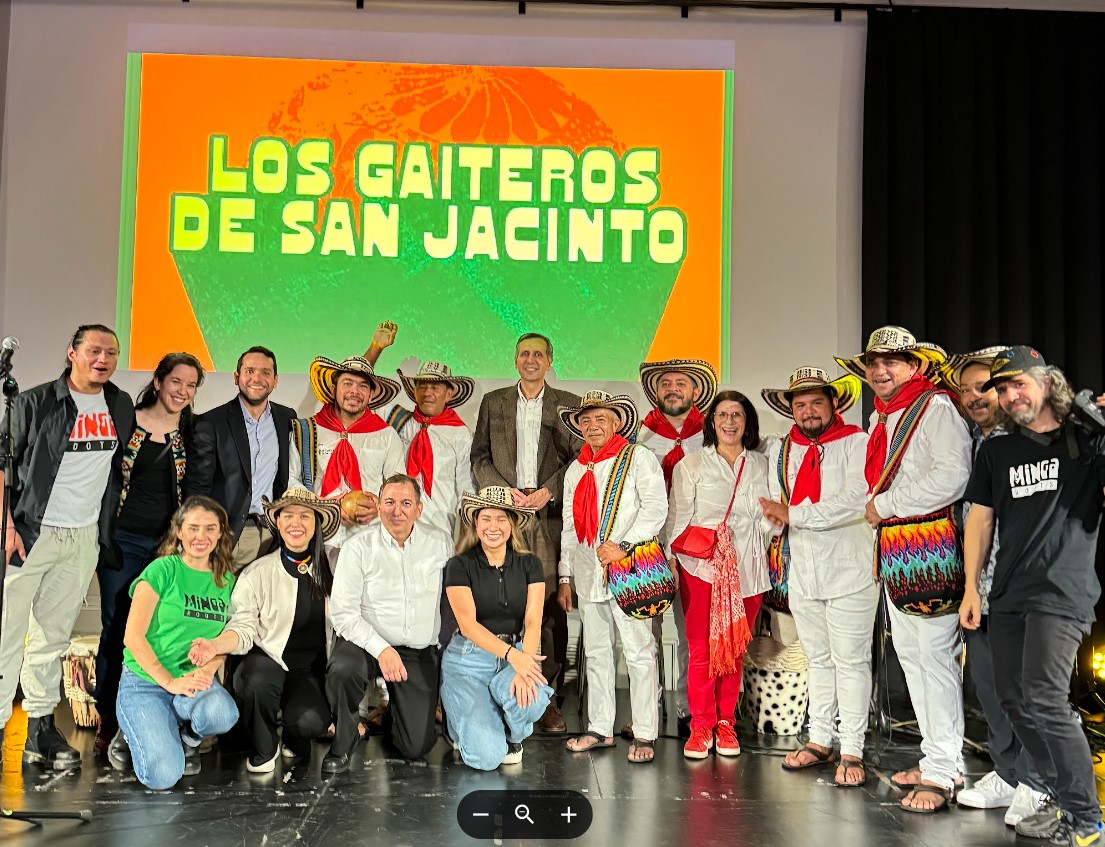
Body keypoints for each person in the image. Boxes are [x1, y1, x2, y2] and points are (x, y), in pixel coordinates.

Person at [961, 347, 1105, 846]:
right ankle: (1061, 797)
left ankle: (1086, 820)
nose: (1009, 395)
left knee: (1044, 697)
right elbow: (979, 519)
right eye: (1001, 389)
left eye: (1017, 383)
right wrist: (971, 588)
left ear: (1047, 382)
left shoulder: (1084, 439)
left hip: (1062, 590)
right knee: (1012, 699)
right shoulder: (997, 451)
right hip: (1007, 594)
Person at [836, 325, 971, 813]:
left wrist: (887, 504)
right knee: (914, 658)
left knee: (932, 657)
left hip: (928, 541)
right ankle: (942, 759)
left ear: (914, 366)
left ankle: (941, 771)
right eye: (873, 363)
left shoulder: (934, 407)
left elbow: (953, 476)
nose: (880, 370)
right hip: (897, 546)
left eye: (891, 361)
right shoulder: (883, 417)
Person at [0, 324, 134, 769]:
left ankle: (39, 730)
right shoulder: (33, 402)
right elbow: (2, 465)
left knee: (52, 638)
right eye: (93, 350)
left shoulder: (119, 403)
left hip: (81, 538)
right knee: (5, 636)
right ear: (71, 353)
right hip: (29, 533)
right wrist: (5, 525)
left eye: (111, 352)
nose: (103, 358)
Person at [941, 348, 1046, 824]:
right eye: (965, 390)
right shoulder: (979, 443)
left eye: (984, 387)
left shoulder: (1036, 438)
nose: (974, 397)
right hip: (983, 588)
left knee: (1027, 690)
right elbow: (978, 522)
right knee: (989, 686)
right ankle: (1008, 771)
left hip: (1027, 589)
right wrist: (971, 588)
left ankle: (1040, 782)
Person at [758, 369, 876, 784]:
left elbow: (857, 500)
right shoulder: (784, 449)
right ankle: (820, 738)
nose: (808, 412)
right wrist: (776, 520)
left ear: (833, 404)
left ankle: (853, 749)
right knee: (819, 660)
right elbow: (777, 505)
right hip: (803, 569)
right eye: (800, 404)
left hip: (850, 568)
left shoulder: (857, 442)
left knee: (851, 661)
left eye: (816, 403)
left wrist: (795, 514)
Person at [95, 352, 205, 758]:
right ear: (158, 382)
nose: (183, 391)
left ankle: (160, 719)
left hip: (168, 550)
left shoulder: (195, 432)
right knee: (117, 630)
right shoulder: (127, 420)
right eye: (176, 381)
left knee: (164, 632)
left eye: (191, 385)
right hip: (122, 541)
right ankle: (111, 719)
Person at [471, 332, 581, 733]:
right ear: (515, 360)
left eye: (538, 354)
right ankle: (501, 689)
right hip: (503, 517)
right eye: (524, 354)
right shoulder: (493, 401)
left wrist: (549, 490)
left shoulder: (566, 403)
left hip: (549, 518)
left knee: (549, 607)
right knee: (501, 602)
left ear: (550, 360)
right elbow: (479, 456)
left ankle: (545, 696)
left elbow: (580, 458)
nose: (531, 360)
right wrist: (502, 495)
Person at [187, 488, 341, 773]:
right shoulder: (258, 572)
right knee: (256, 678)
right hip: (266, 660)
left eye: (305, 516)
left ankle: (294, 739)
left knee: (310, 721)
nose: (296, 523)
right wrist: (216, 645)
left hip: (308, 671)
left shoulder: (335, 566)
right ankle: (264, 747)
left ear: (317, 523)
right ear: (279, 524)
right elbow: (243, 628)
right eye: (289, 516)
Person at [558, 391, 667, 763]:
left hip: (631, 569)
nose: (592, 427)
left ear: (617, 422)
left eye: (600, 419)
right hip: (589, 571)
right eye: (585, 421)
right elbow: (570, 529)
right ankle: (600, 728)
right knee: (597, 651)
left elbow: (656, 508)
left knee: (639, 651)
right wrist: (564, 576)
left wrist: (624, 543)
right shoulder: (576, 469)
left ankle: (646, 732)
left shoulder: (638, 458)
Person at [665, 390, 772, 759]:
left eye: (737, 415)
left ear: (747, 422)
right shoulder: (692, 465)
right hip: (700, 569)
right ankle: (701, 724)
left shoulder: (762, 464)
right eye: (723, 415)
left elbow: (770, 518)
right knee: (701, 650)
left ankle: (726, 722)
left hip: (749, 569)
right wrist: (672, 565)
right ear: (712, 421)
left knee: (734, 650)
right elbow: (676, 522)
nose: (729, 422)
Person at [324, 474, 452, 773]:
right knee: (343, 671)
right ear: (378, 506)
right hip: (365, 641)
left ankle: (396, 713)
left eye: (406, 503)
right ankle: (344, 740)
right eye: (390, 502)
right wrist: (381, 649)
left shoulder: (439, 542)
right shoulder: (357, 547)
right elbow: (343, 613)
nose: (398, 511)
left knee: (416, 747)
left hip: (415, 648)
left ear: (419, 509)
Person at [114, 496, 239, 790]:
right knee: (163, 776)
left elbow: (224, 642)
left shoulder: (227, 582)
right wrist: (169, 682)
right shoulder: (162, 570)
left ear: (221, 533)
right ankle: (133, 729)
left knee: (223, 714)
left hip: (192, 681)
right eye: (193, 528)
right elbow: (132, 637)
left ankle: (187, 738)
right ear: (179, 531)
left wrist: (209, 670)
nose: (201, 536)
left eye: (210, 528)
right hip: (146, 680)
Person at [440, 487, 553, 770]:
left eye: (501, 518)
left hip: (515, 652)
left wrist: (521, 663)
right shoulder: (459, 565)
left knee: (534, 698)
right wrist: (514, 657)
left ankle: (507, 731)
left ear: (512, 523)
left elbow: (532, 620)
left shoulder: (530, 564)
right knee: (487, 758)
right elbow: (467, 625)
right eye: (486, 518)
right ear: (475, 523)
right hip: (469, 659)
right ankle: (460, 723)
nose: (494, 526)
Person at [635, 358, 718, 737]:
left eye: (680, 382)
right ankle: (646, 710)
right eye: (665, 382)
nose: (672, 388)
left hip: (693, 547)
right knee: (645, 632)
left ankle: (688, 707)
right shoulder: (638, 437)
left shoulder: (713, 435)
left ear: (695, 391)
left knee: (692, 633)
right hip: (646, 546)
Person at [185, 345, 295, 569]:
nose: (258, 378)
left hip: (273, 535)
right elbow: (198, 488)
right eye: (250, 371)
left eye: (266, 372)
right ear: (237, 377)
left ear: (275, 380)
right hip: (229, 537)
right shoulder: (211, 423)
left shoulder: (287, 418)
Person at [288, 355, 405, 551]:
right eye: (347, 383)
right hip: (319, 536)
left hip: (370, 541)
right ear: (334, 390)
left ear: (371, 395)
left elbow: (399, 485)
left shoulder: (387, 435)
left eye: (363, 386)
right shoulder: (306, 430)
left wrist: (380, 506)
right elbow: (291, 479)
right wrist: (319, 504)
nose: (354, 391)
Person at [393, 361, 476, 538]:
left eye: (435, 387)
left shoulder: (460, 434)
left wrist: (469, 532)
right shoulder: (401, 423)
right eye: (422, 386)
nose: (428, 393)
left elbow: (466, 485)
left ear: (448, 394)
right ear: (414, 391)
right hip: (399, 524)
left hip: (439, 527)